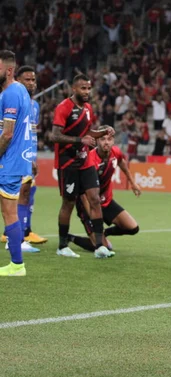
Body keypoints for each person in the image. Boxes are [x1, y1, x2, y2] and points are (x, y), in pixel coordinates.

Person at [49, 74, 115, 259]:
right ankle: (62, 246)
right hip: (68, 163)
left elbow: (88, 132)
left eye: (88, 88)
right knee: (68, 203)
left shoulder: (88, 108)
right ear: (74, 89)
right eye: (83, 88)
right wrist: (80, 140)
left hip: (85, 161)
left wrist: (102, 131)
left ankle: (100, 246)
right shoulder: (64, 107)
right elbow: (54, 136)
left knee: (94, 199)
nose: (87, 92)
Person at [1, 66, 48, 250]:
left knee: (27, 192)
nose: (32, 83)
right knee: (14, 196)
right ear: (17, 81)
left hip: (26, 157)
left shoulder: (34, 105)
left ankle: (20, 235)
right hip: (11, 158)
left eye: (33, 80)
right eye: (27, 79)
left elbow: (29, 133)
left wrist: (32, 157)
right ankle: (15, 238)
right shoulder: (9, 99)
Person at [69, 134, 141, 253]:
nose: (106, 142)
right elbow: (82, 194)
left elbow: (121, 162)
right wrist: (91, 217)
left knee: (133, 228)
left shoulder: (115, 152)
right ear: (97, 141)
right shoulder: (89, 160)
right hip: (87, 202)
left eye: (109, 139)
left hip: (106, 201)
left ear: (113, 141)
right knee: (101, 247)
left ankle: (104, 233)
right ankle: (70, 237)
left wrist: (133, 183)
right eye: (102, 139)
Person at [0, 50, 33, 276]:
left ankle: (17, 264)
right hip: (15, 160)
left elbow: (8, 134)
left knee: (9, 212)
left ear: (9, 70)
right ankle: (17, 263)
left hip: (8, 162)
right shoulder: (20, 90)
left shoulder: (11, 93)